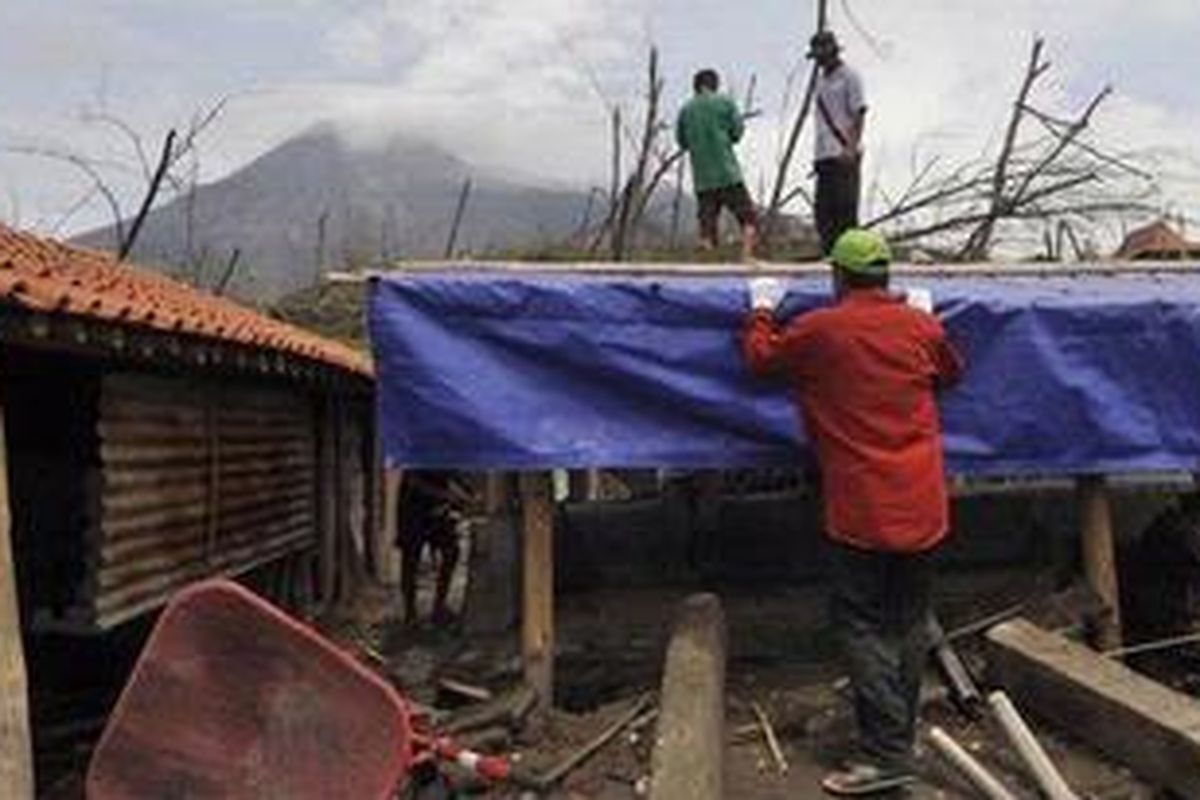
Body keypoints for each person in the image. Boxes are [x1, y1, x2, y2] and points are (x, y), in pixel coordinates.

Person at [741, 228, 963, 796]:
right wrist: (926, 318)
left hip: (862, 510)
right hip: (923, 505)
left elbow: (761, 359)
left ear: (838, 278)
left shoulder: (820, 330)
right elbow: (951, 373)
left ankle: (888, 754)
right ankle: (897, 738)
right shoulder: (918, 327)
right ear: (887, 277)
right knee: (909, 621)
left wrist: (762, 308)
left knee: (861, 624)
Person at [675, 68, 758, 261]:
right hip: (728, 173)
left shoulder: (686, 110)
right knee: (748, 219)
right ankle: (746, 258)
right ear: (714, 84)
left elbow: (682, 142)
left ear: (696, 86)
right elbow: (737, 133)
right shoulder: (725, 102)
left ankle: (707, 266)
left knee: (707, 229)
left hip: (703, 178)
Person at [809, 31, 867, 255]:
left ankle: (850, 259)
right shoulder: (820, 82)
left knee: (845, 211)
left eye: (822, 55)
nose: (819, 61)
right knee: (823, 213)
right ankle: (829, 256)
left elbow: (859, 113)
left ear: (832, 52)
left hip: (843, 153)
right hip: (823, 155)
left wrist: (851, 147)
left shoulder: (850, 77)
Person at [395, 470, 472, 626]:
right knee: (411, 558)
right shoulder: (414, 450)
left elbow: (451, 469)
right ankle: (410, 613)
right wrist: (446, 495)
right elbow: (413, 480)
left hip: (437, 508)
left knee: (451, 551)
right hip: (413, 507)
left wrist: (468, 490)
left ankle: (439, 607)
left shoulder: (445, 449)